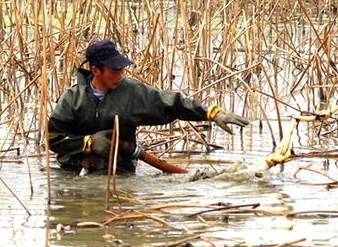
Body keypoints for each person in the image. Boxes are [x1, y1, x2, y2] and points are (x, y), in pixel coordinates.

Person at [47, 40, 249, 175]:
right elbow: (53, 139)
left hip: (119, 172)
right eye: (115, 71)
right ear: (95, 70)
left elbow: (171, 102)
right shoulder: (72, 99)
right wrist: (88, 143)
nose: (120, 75)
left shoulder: (132, 93)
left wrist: (210, 113)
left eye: (122, 70)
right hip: (73, 173)